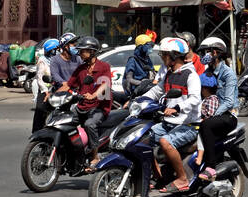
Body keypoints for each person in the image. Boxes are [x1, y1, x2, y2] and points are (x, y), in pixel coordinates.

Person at [138, 35, 202, 195]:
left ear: (173, 56)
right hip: (169, 122)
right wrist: (137, 100)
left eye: (164, 55)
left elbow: (195, 99)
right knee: (143, 139)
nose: (162, 58)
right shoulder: (169, 73)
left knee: (165, 142)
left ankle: (182, 178)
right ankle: (159, 176)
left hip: (188, 124)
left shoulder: (190, 75)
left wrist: (177, 108)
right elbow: (156, 91)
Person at [62, 35, 112, 164]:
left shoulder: (104, 66)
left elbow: (105, 84)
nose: (79, 53)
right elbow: (68, 85)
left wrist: (94, 94)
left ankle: (95, 156)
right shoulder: (81, 69)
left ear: (92, 52)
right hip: (82, 106)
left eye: (82, 50)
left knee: (90, 124)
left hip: (99, 107)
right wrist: (53, 95)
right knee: (63, 121)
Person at [195, 37, 237, 180]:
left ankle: (211, 167)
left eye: (208, 52)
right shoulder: (208, 72)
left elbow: (229, 101)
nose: (205, 55)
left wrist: (212, 115)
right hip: (212, 112)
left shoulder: (228, 74)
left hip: (227, 115)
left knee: (206, 124)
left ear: (217, 53)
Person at [31, 37, 60, 132]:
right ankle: (36, 133)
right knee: (40, 110)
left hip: (56, 89)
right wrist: (46, 91)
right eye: (57, 49)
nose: (59, 51)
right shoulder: (42, 61)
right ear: (52, 50)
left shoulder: (58, 60)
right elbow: (40, 78)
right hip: (45, 90)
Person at [123, 33, 155, 97]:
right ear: (141, 46)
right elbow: (129, 79)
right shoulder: (133, 60)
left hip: (146, 90)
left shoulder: (147, 59)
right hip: (135, 92)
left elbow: (152, 72)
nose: (151, 48)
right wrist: (143, 83)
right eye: (149, 46)